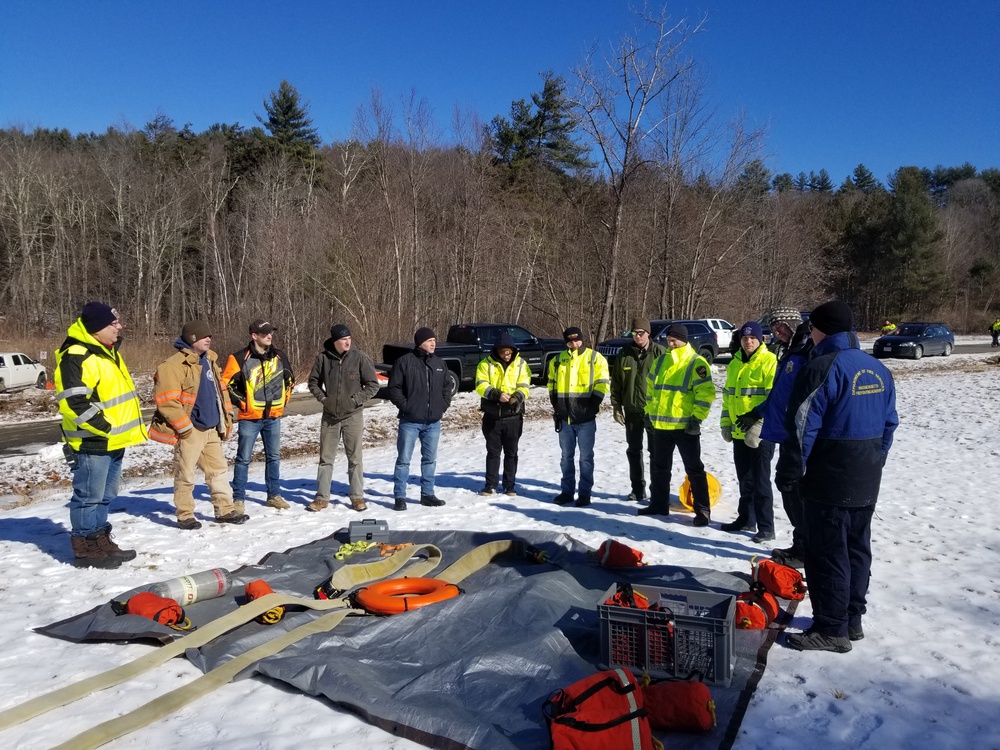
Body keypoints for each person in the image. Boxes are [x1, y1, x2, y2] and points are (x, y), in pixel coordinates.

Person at [777, 301, 897, 653]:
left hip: (829, 475)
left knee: (827, 552)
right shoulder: (877, 369)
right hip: (865, 473)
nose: (809, 335)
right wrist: (876, 460)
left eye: (812, 328)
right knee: (856, 548)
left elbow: (801, 427)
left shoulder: (822, 367)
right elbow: (890, 423)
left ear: (822, 330)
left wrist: (790, 471)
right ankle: (852, 619)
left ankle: (832, 628)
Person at [54, 302, 147, 568]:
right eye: (113, 323)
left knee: (106, 495)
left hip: (114, 440)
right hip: (92, 441)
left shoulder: (106, 352)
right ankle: (85, 548)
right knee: (88, 497)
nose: (119, 327)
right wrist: (105, 427)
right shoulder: (77, 355)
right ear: (96, 329)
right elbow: (74, 403)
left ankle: (100, 539)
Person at [149, 321, 248, 529]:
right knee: (185, 474)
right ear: (192, 338)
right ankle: (185, 515)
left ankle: (225, 510)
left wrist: (226, 418)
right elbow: (167, 402)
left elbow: (221, 393)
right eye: (204, 336)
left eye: (210, 336)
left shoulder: (211, 360)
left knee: (218, 471)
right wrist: (184, 428)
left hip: (212, 428)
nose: (209, 339)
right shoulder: (172, 366)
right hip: (190, 430)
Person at [736, 308, 812, 566]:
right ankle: (801, 544)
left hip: (799, 434)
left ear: (793, 324)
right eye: (774, 328)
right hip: (782, 431)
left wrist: (760, 421)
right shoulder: (790, 350)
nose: (778, 332)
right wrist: (758, 412)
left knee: (791, 486)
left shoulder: (805, 350)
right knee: (786, 485)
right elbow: (779, 395)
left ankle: (804, 546)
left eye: (781, 326)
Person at [640, 323, 716, 526]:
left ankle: (702, 510)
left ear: (684, 340)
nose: (670, 343)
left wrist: (696, 418)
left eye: (674, 339)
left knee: (694, 470)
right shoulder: (660, 361)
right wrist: (648, 413)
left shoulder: (696, 363)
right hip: (661, 426)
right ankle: (658, 503)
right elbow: (651, 390)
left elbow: (706, 394)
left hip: (686, 428)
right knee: (659, 468)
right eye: (668, 339)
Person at [221, 319, 295, 512]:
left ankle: (274, 495)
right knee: (243, 459)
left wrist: (284, 400)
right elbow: (226, 384)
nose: (270, 336)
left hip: (273, 417)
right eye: (265, 333)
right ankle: (238, 499)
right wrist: (242, 402)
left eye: (271, 332)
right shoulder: (238, 358)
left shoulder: (279, 356)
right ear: (254, 336)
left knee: (274, 457)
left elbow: (290, 379)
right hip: (249, 418)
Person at [307, 324, 380, 512]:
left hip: (353, 416)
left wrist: (355, 400)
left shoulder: (360, 358)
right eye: (343, 339)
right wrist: (324, 399)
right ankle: (321, 498)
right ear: (335, 341)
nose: (347, 341)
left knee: (355, 458)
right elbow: (313, 382)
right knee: (326, 459)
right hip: (330, 417)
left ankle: (357, 497)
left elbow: (373, 385)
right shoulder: (323, 358)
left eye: (349, 338)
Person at [719, 322, 778, 543]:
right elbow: (728, 397)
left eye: (753, 338)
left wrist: (758, 423)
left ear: (760, 339)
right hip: (739, 431)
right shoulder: (735, 363)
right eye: (745, 338)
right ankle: (746, 519)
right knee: (745, 479)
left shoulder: (769, 361)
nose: (748, 341)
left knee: (761, 480)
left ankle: (766, 527)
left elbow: (775, 399)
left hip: (761, 432)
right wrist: (726, 423)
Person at [387, 327, 452, 510]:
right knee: (404, 460)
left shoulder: (439, 363)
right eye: (429, 340)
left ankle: (427, 494)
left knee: (430, 460)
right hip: (410, 421)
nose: (433, 343)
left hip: (433, 422)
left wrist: (442, 405)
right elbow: (394, 388)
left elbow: (447, 387)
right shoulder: (404, 362)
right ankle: (400, 497)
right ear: (419, 342)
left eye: (434, 340)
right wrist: (407, 407)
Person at [548, 327, 610, 506]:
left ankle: (584, 493)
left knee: (585, 457)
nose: (574, 344)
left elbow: (602, 382)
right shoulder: (558, 359)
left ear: (582, 340)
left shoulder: (594, 358)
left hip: (586, 419)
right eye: (570, 341)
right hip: (565, 417)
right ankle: (567, 492)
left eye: (577, 340)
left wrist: (593, 405)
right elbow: (551, 382)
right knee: (566, 457)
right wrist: (556, 403)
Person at [610, 317, 666, 502]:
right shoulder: (624, 353)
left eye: (640, 333)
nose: (637, 336)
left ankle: (656, 490)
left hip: (654, 412)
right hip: (632, 410)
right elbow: (616, 383)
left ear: (648, 333)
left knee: (656, 452)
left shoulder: (660, 353)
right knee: (634, 450)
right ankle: (637, 489)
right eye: (634, 333)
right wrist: (617, 407)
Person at [475, 333, 530, 497]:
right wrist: (496, 394)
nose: (507, 356)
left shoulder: (521, 364)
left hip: (513, 416)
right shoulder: (485, 364)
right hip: (492, 416)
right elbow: (480, 384)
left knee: (511, 453)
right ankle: (490, 485)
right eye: (503, 353)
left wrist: (517, 396)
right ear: (497, 351)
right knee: (493, 452)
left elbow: (525, 384)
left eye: (509, 352)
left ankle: (509, 485)